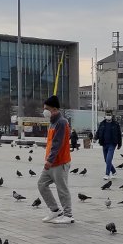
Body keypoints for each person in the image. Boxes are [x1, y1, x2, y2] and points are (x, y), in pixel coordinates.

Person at [38, 95, 74, 224]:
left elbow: (57, 143)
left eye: (46, 108)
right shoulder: (53, 122)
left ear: (54, 109)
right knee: (41, 184)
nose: (44, 111)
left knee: (62, 188)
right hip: (52, 162)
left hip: (59, 162)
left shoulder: (61, 122)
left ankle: (68, 215)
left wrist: (50, 160)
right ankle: (55, 210)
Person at [95, 110, 121, 178]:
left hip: (112, 144)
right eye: (107, 114)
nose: (108, 116)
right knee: (106, 160)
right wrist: (95, 138)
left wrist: (119, 144)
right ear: (105, 115)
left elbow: (119, 135)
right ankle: (114, 171)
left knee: (109, 159)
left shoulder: (116, 124)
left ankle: (107, 174)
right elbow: (98, 132)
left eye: (109, 115)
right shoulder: (102, 124)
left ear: (112, 116)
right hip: (104, 144)